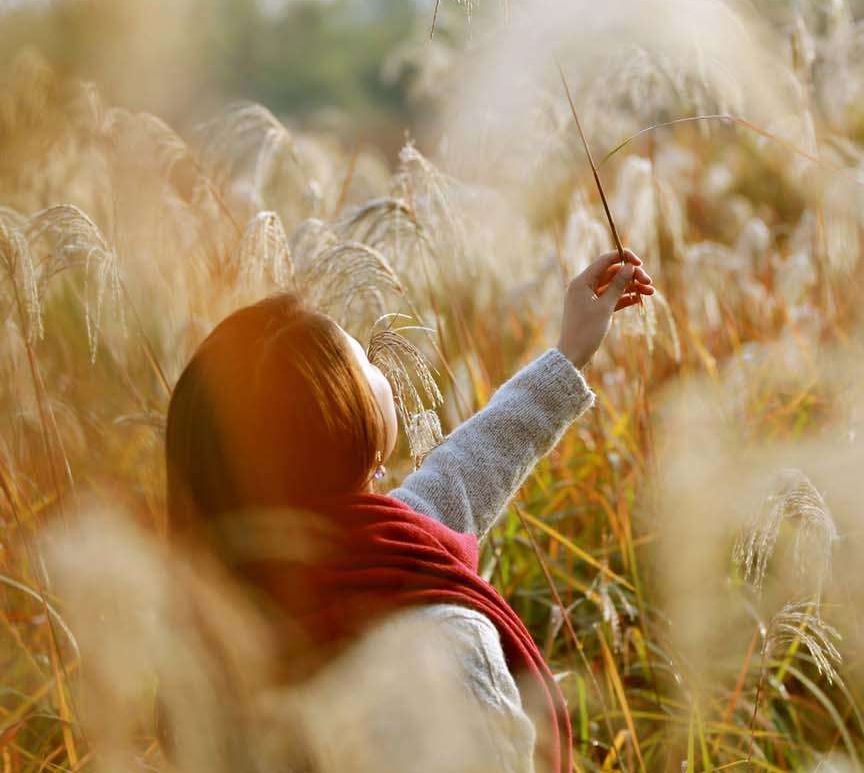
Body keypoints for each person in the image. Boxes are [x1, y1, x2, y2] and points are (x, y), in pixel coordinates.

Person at [164, 249, 654, 773]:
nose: (380, 365)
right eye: (362, 363)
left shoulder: (219, 637)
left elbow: (457, 481)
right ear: (342, 423)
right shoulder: (442, 648)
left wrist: (568, 353)